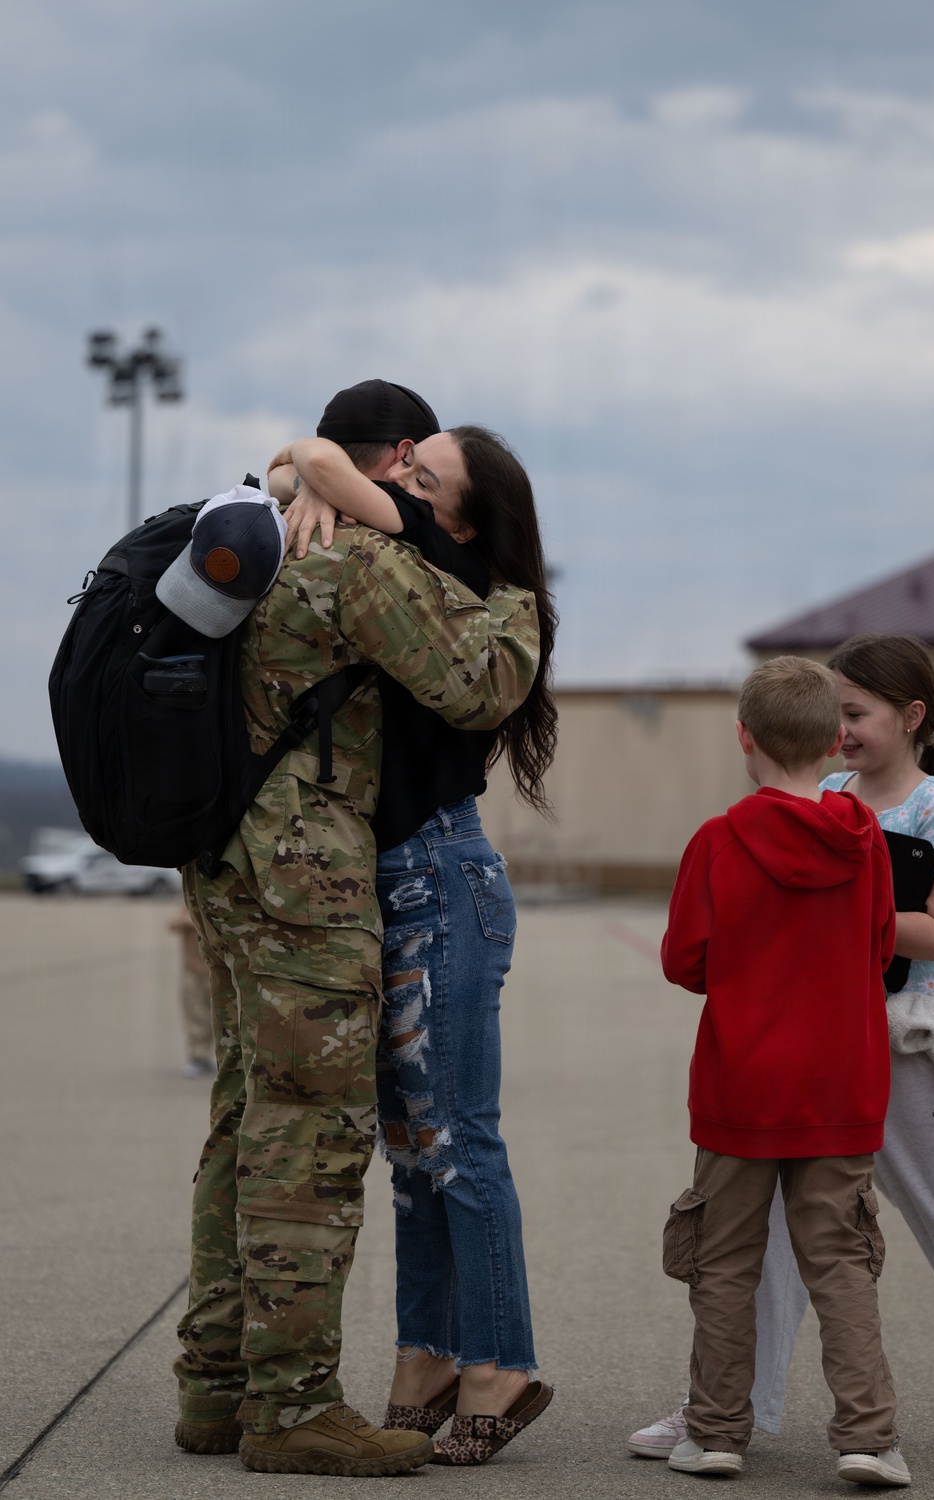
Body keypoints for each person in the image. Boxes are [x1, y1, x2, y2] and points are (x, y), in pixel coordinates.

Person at [170, 382, 542, 1477]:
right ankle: (290, 1407)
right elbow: (483, 683)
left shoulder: (241, 532)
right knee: (314, 1132)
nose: (415, 494)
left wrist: (295, 465)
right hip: (306, 875)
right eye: (414, 472)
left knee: (243, 1117)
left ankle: (216, 1385)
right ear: (389, 466)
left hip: (224, 858)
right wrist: (518, 587)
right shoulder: (354, 560)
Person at [264, 422, 557, 1464]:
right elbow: (298, 466)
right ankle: (427, 1353)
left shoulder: (458, 565)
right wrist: (302, 480)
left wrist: (316, 472)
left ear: (466, 517)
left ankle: (502, 1362)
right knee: (410, 1154)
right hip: (391, 883)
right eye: (402, 466)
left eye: (422, 475)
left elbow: (311, 455)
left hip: (443, 877)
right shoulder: (403, 559)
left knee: (460, 1144)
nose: (399, 479)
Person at [656, 656, 911, 1487]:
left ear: (744, 738)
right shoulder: (865, 837)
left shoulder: (718, 841)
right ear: (835, 741)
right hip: (841, 1087)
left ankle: (720, 1431)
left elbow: (684, 961)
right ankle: (869, 1438)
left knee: (723, 1262)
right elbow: (880, 946)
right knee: (841, 1260)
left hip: (742, 1089)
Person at [168, 905, 215, 1076]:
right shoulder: (188, 904)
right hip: (192, 972)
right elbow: (172, 924)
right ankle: (199, 1057)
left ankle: (226, 1059)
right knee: (195, 1015)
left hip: (218, 972)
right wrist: (190, 920)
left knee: (221, 1016)